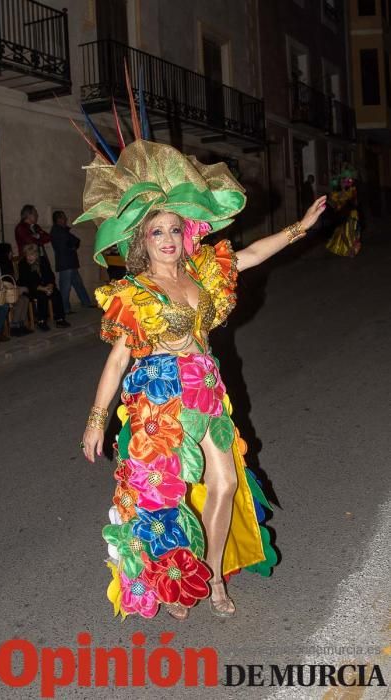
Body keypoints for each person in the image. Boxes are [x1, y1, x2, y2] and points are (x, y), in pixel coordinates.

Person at [78, 138, 327, 621]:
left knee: (226, 483)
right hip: (160, 401)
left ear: (185, 232)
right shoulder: (136, 291)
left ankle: (210, 575)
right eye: (156, 232)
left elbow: (252, 254)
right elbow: (116, 361)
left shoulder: (199, 271)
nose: (168, 238)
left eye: (174, 228)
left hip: (208, 390)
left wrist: (300, 228)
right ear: (142, 241)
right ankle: (171, 578)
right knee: (163, 497)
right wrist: (96, 419)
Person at [17, 244, 70, 331]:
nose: (30, 257)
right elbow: (28, 281)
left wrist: (50, 285)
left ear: (36, 255)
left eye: (32, 255)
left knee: (56, 293)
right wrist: (43, 289)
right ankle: (41, 321)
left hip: (45, 286)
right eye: (27, 255)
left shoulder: (43, 260)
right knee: (41, 295)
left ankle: (60, 319)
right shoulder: (22, 264)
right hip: (31, 288)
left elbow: (50, 274)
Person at [50, 210, 93, 313]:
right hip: (65, 263)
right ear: (59, 219)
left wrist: (72, 245)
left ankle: (86, 303)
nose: (66, 219)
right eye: (64, 217)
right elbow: (66, 245)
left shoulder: (63, 230)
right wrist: (72, 246)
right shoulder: (57, 231)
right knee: (65, 288)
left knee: (78, 284)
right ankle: (65, 309)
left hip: (69, 262)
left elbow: (76, 241)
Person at [0, 243, 32, 337]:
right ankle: (14, 326)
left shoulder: (6, 262)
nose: (12, 253)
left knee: (25, 299)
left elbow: (11, 280)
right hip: (0, 294)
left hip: (10, 291)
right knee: (19, 301)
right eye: (10, 251)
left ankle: (21, 324)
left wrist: (18, 288)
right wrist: (17, 289)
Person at [326, 165, 361, 257]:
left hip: (351, 214)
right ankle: (350, 250)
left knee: (351, 232)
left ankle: (352, 250)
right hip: (341, 215)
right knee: (342, 232)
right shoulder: (336, 194)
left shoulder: (351, 190)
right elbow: (333, 204)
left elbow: (355, 202)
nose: (343, 183)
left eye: (344, 181)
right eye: (341, 182)